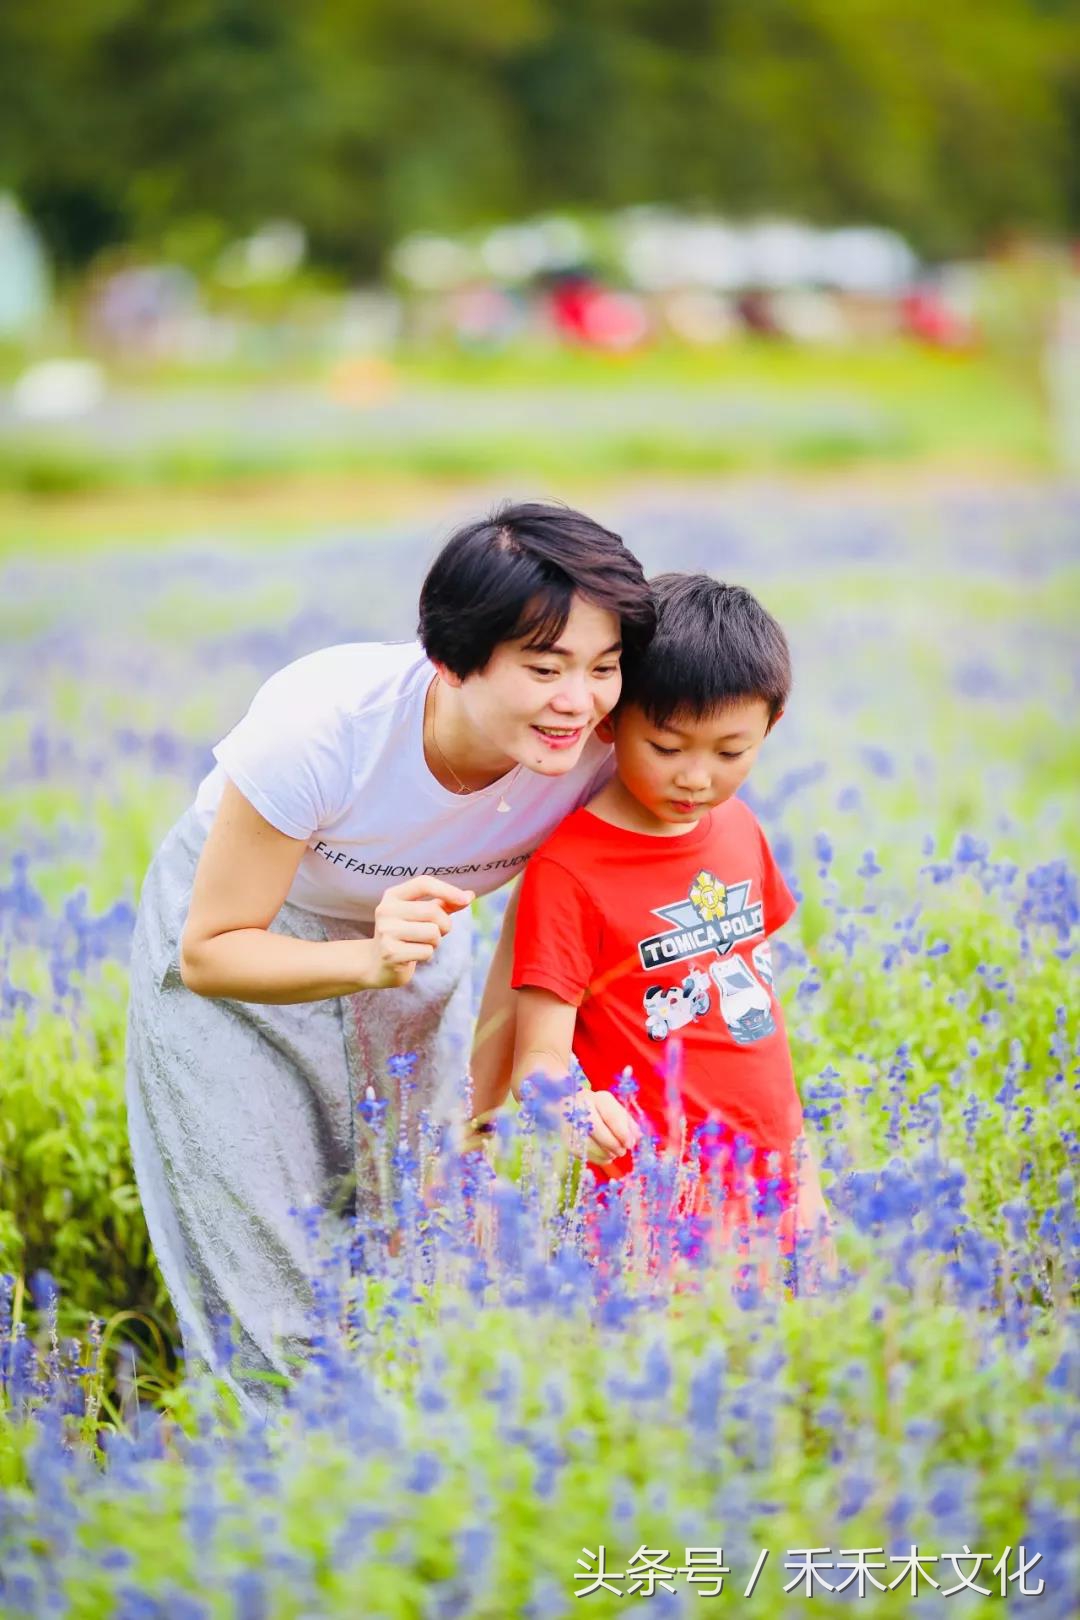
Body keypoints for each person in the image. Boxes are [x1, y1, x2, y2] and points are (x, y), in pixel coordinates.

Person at [125, 502, 655, 1403]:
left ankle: (420, 1467)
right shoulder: (325, 727)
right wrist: (367, 958)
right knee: (263, 1247)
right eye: (544, 667)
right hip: (251, 937)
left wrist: (501, 1103)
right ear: (451, 661)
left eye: (602, 668)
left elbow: (545, 935)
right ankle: (290, 1487)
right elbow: (210, 952)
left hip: (415, 946)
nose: (580, 702)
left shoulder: (596, 751)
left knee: (422, 1230)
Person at [476, 572, 829, 1262]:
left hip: (779, 1161)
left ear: (770, 726)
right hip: (658, 1191)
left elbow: (755, 1003)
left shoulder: (739, 829)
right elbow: (539, 1056)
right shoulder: (571, 870)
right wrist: (569, 1107)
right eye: (667, 748)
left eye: (732, 752)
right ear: (610, 720)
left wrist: (802, 1159)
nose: (697, 778)